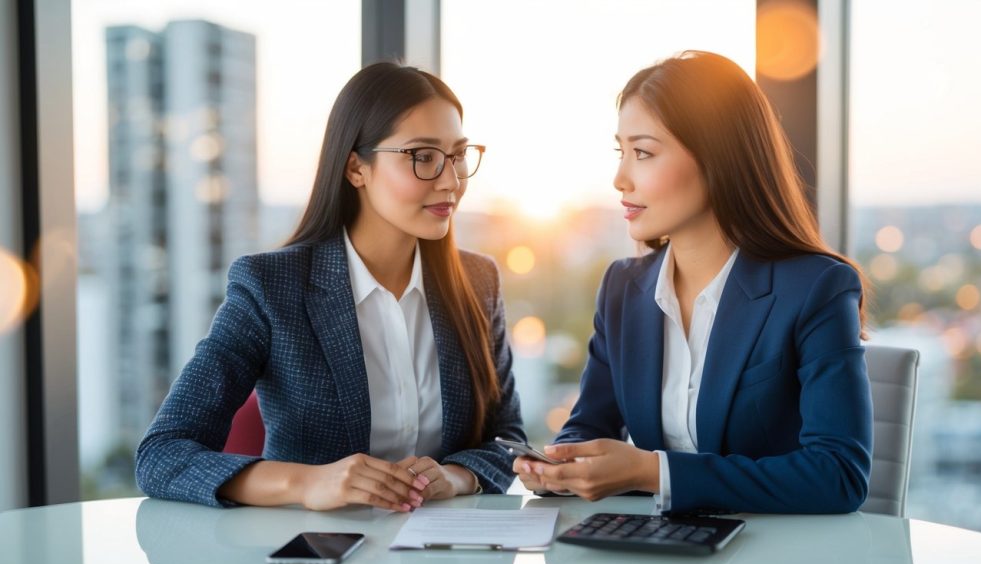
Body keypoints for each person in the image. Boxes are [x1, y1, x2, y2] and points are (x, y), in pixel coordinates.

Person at [136, 63, 525, 512]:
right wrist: (308, 484)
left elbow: (508, 438)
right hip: (317, 562)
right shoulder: (271, 287)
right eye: (423, 156)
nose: (451, 181)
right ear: (356, 168)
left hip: (445, 560)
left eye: (457, 155)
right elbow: (162, 454)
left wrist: (455, 478)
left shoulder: (478, 282)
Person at [514, 51, 872, 514]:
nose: (620, 178)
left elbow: (839, 474)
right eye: (620, 153)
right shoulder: (623, 288)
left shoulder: (815, 288)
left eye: (642, 153)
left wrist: (652, 472)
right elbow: (590, 427)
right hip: (661, 559)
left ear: (717, 157)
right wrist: (559, 465)